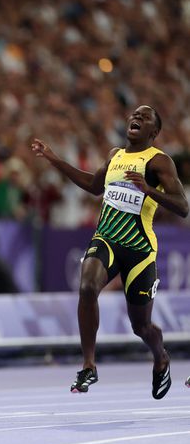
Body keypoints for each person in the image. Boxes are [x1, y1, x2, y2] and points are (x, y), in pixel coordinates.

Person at [32, 105, 188, 399]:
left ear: (154, 132)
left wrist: (149, 190)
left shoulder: (159, 162)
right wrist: (54, 159)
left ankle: (161, 357)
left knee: (141, 326)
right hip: (107, 238)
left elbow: (182, 206)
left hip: (140, 250)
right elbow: (93, 186)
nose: (136, 119)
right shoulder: (115, 156)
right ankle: (89, 364)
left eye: (144, 118)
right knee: (88, 287)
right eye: (134, 115)